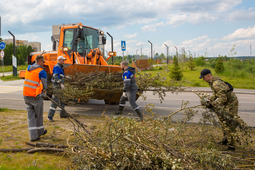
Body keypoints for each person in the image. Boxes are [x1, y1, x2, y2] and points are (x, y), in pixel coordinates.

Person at [199, 69, 241, 150]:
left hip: (231, 104)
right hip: (227, 103)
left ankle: (232, 146)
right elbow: (216, 94)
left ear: (208, 75)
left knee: (229, 123)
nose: (203, 79)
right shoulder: (212, 82)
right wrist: (209, 100)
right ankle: (225, 140)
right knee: (223, 121)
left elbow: (223, 98)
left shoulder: (216, 84)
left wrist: (212, 104)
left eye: (203, 77)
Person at [23, 55, 47, 142]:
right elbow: (44, 85)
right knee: (38, 115)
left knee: (31, 117)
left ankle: (33, 136)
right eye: (43, 62)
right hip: (36, 96)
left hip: (26, 95)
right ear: (40, 61)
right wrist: (44, 91)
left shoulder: (28, 68)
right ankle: (40, 132)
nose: (43, 64)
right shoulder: (41, 71)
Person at [48, 56, 68, 121]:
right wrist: (61, 83)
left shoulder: (60, 67)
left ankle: (62, 114)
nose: (64, 61)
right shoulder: (57, 67)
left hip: (59, 86)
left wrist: (65, 77)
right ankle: (50, 116)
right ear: (59, 60)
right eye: (63, 60)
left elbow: (60, 76)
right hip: (57, 86)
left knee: (62, 100)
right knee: (55, 101)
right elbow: (55, 76)